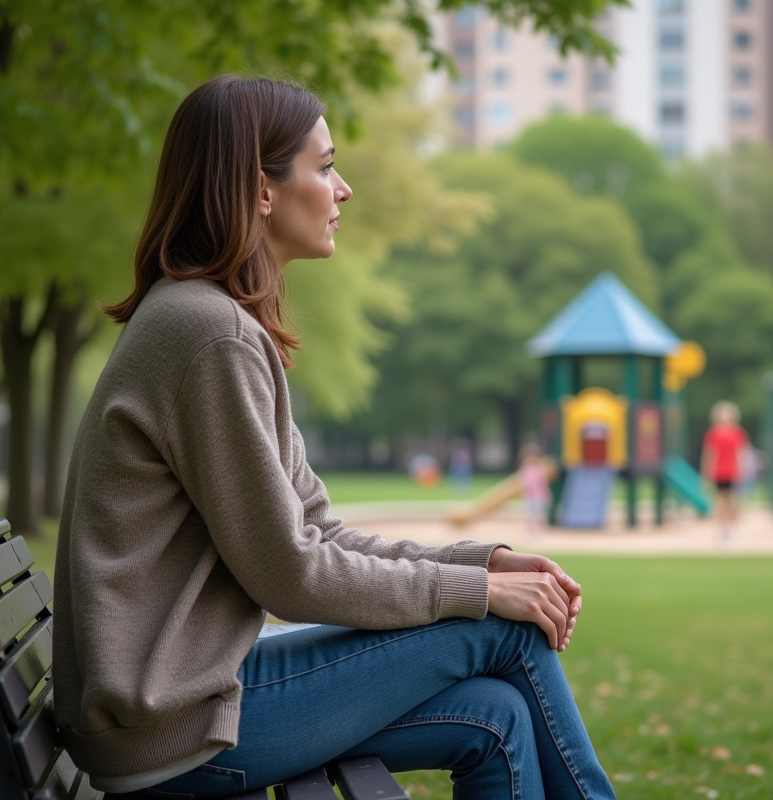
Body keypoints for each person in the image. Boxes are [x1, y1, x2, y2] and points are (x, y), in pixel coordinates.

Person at [52, 76, 614, 800]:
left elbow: (316, 531)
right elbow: (290, 572)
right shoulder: (209, 334)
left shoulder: (215, 322)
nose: (343, 189)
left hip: (184, 701)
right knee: (507, 632)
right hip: (175, 726)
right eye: (324, 166)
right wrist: (479, 594)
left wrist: (485, 561)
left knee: (495, 713)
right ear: (261, 190)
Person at [701, 401, 750, 540]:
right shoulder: (713, 434)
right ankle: (722, 528)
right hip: (719, 471)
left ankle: (730, 528)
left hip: (732, 471)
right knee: (721, 501)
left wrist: (743, 469)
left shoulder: (738, 433)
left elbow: (740, 453)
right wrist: (707, 471)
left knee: (733, 501)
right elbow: (710, 454)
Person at [517, 443, 552, 536]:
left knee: (539, 514)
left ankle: (540, 530)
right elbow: (523, 482)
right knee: (530, 514)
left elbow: (542, 481)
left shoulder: (539, 469)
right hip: (530, 497)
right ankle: (531, 531)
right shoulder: (525, 469)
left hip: (540, 497)